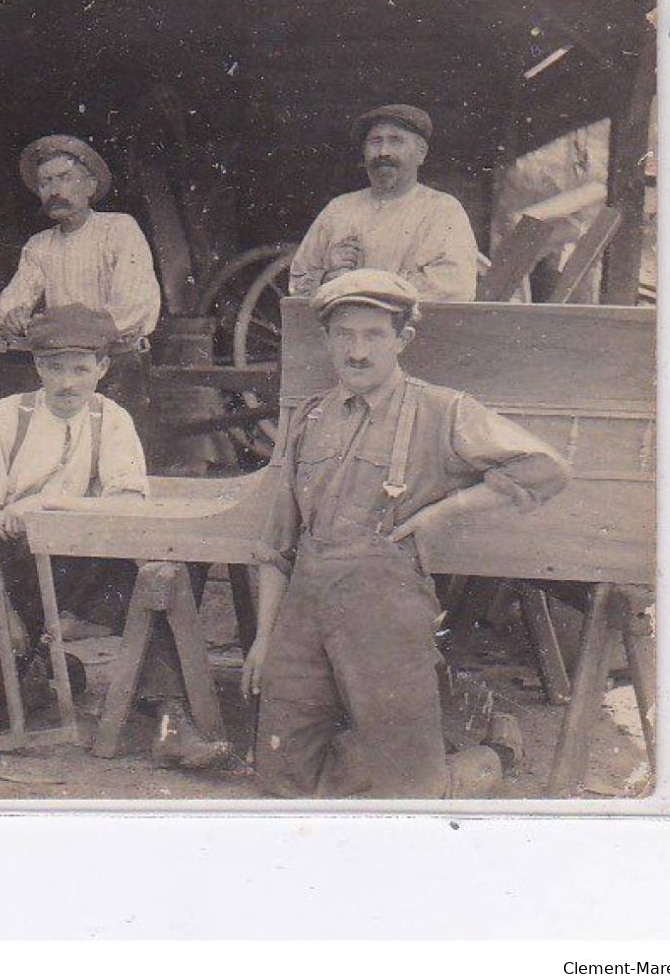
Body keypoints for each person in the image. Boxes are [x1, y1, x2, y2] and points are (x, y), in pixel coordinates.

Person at [242, 269, 570, 798]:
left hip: (386, 610)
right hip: (303, 609)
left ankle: (486, 759)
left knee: (407, 788)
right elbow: (276, 541)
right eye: (344, 335)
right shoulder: (310, 416)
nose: (357, 351)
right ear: (326, 340)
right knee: (282, 779)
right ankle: (421, 756)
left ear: (402, 340)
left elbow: (546, 467)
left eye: (374, 335)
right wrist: (264, 638)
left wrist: (444, 510)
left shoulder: (443, 410)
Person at [0, 304, 228, 769]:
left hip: (84, 563)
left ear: (102, 368)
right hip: (8, 567)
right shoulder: (4, 418)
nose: (68, 382)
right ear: (38, 367)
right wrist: (3, 612)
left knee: (163, 574)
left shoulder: (111, 420)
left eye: (81, 369)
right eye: (56, 368)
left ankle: (168, 716)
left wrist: (49, 504)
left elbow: (128, 503)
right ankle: (45, 669)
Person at [0, 134, 161, 440]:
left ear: (90, 186)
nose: (54, 190)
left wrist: (53, 325)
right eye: (45, 183)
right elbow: (10, 302)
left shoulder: (119, 229)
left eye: (65, 178)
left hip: (117, 365)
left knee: (115, 456)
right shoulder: (39, 245)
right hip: (63, 371)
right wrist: (14, 314)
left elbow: (131, 309)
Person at [290, 104, 480, 302]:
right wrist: (325, 277)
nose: (383, 152)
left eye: (395, 141)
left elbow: (454, 290)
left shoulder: (443, 210)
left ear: (421, 153)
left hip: (413, 331)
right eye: (375, 141)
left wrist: (353, 285)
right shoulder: (338, 210)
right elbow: (298, 284)